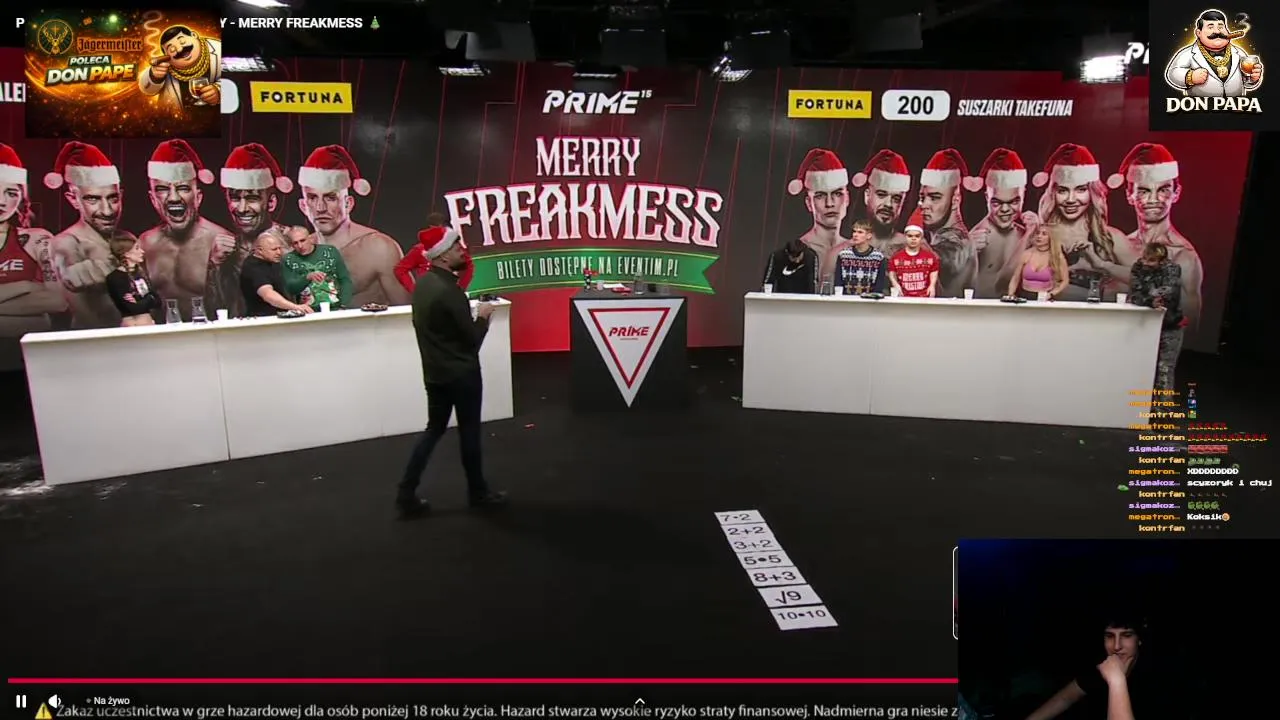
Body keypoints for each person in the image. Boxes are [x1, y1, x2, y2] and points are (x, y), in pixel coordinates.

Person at [397, 226, 506, 518]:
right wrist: (483, 318)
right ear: (443, 255)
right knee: (469, 432)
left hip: (435, 374)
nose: (463, 251)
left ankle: (406, 492)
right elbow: (472, 341)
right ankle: (478, 493)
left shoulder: (423, 286)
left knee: (433, 429)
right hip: (462, 374)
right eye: (457, 247)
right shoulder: (450, 292)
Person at [296, 145, 410, 306]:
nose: (320, 208)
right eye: (312, 198)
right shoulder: (298, 251)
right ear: (303, 206)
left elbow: (408, 312)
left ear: (348, 203)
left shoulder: (379, 248)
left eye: (330, 198)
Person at [1022, 615, 1180, 720]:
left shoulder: (1160, 678)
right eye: (1109, 636)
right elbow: (1066, 698)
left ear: (1139, 639)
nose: (1116, 646)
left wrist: (1116, 681)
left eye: (1126, 635)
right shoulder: (1101, 666)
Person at [46, 141, 129, 329]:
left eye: (113, 198)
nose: (107, 210)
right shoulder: (67, 242)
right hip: (91, 341)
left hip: (133, 339)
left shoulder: (128, 239)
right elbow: (71, 275)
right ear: (73, 199)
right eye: (93, 199)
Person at [208, 143, 294, 319]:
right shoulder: (225, 250)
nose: (242, 208)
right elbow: (215, 309)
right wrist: (215, 265)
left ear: (271, 202)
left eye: (252, 198)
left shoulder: (292, 239)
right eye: (235, 198)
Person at [786, 148, 853, 283]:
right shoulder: (797, 252)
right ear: (809, 203)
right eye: (820, 196)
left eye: (837, 194)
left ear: (847, 199)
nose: (830, 203)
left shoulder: (855, 250)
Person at [1128, 243, 1184, 392]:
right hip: (1144, 326)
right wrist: (1149, 301)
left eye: (1152, 260)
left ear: (1162, 261)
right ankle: (1140, 403)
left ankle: (1163, 406)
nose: (1146, 263)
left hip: (1170, 327)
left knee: (1164, 371)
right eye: (1145, 258)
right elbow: (1134, 294)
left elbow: (1169, 291)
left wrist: (1154, 297)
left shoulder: (1172, 269)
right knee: (1141, 368)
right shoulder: (1138, 267)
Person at [394, 213, 475, 294]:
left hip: (450, 290)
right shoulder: (419, 250)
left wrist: (461, 288)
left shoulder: (453, 247)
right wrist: (415, 291)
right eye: (433, 229)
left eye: (440, 229)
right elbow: (400, 269)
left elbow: (468, 265)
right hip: (430, 294)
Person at [239, 229, 313, 317]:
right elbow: (268, 294)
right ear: (260, 250)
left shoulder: (274, 261)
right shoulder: (252, 267)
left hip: (283, 315)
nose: (279, 252)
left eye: (279, 248)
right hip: (264, 319)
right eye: (274, 249)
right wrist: (296, 307)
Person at [282, 225, 354, 310]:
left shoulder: (330, 251)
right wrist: (307, 278)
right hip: (308, 310)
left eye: (303, 240)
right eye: (295, 243)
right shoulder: (288, 259)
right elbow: (290, 288)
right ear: (291, 245)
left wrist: (343, 305)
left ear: (310, 238)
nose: (300, 246)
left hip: (336, 307)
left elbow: (344, 280)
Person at [104, 236, 160, 327]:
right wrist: (149, 298)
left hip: (149, 324)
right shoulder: (115, 278)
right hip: (133, 326)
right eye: (137, 248)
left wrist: (139, 299)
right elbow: (133, 308)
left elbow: (158, 302)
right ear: (127, 254)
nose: (142, 251)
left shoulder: (141, 273)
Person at [1005, 224, 1070, 300]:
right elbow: (1015, 278)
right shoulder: (1026, 254)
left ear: (1050, 238)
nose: (1039, 236)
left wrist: (1051, 294)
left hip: (1045, 297)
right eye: (1037, 233)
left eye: (1044, 234)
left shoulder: (1057, 256)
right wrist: (1010, 294)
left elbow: (1065, 281)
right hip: (1024, 296)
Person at [832, 220, 888, 295]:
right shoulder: (844, 255)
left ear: (869, 236)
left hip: (870, 299)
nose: (855, 235)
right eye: (854, 231)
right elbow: (838, 280)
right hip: (846, 298)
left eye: (860, 232)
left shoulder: (878, 257)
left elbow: (879, 283)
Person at [887, 225, 939, 298]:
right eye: (910, 236)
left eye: (917, 236)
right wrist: (895, 285)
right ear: (905, 237)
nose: (913, 239)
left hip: (924, 298)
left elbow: (934, 270)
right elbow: (892, 272)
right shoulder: (896, 257)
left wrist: (932, 285)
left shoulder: (930, 257)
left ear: (921, 238)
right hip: (903, 298)